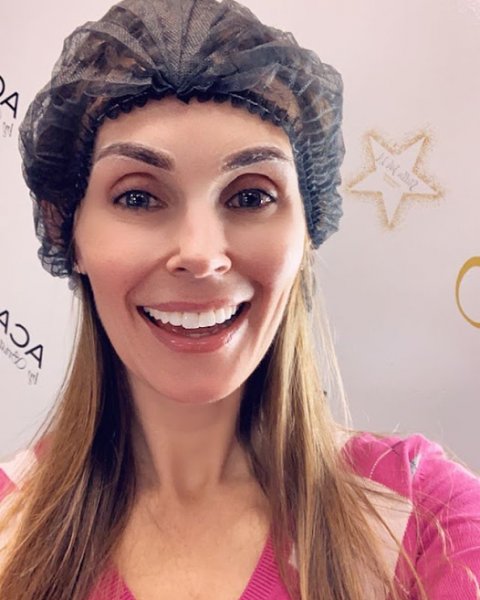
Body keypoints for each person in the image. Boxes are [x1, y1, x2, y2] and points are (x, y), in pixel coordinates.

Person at [1, 0, 479, 598]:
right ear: (67, 230)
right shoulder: (8, 530)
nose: (201, 255)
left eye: (251, 196)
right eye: (138, 197)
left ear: (306, 233)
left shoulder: (424, 519)